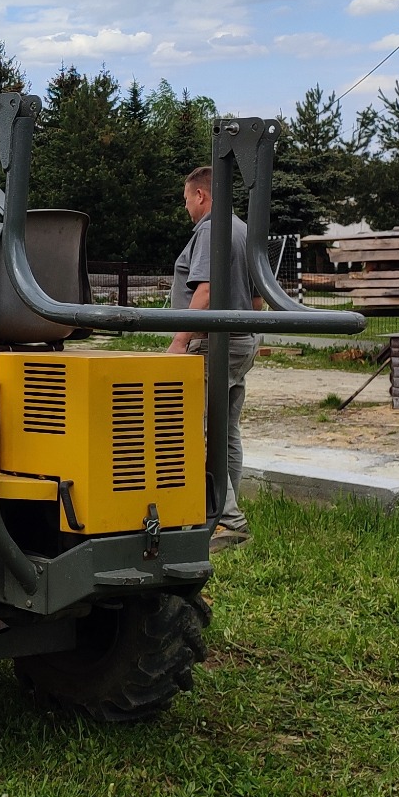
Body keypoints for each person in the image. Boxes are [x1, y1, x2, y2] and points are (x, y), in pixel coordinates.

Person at [167, 165, 262, 551]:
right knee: (226, 431)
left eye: (186, 199)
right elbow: (257, 298)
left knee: (195, 430)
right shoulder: (243, 230)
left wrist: (179, 342)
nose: (186, 207)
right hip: (241, 340)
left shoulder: (211, 230)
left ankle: (226, 520)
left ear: (201, 195)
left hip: (212, 344)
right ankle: (223, 512)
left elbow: (204, 292)